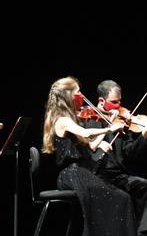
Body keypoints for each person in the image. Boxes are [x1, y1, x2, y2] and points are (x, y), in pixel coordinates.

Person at [42, 77, 137, 236]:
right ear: (68, 95)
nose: (81, 95)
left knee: (123, 197)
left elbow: (92, 145)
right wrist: (109, 129)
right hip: (71, 173)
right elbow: (86, 133)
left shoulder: (72, 118)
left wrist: (107, 125)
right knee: (120, 199)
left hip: (81, 172)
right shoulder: (62, 120)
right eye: (78, 92)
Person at [81, 80, 147, 234]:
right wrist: (109, 129)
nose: (118, 106)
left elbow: (130, 152)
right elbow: (87, 149)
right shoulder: (90, 119)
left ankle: (142, 232)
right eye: (114, 102)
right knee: (122, 197)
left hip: (118, 175)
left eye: (119, 101)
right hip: (97, 174)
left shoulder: (122, 121)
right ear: (101, 101)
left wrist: (144, 136)